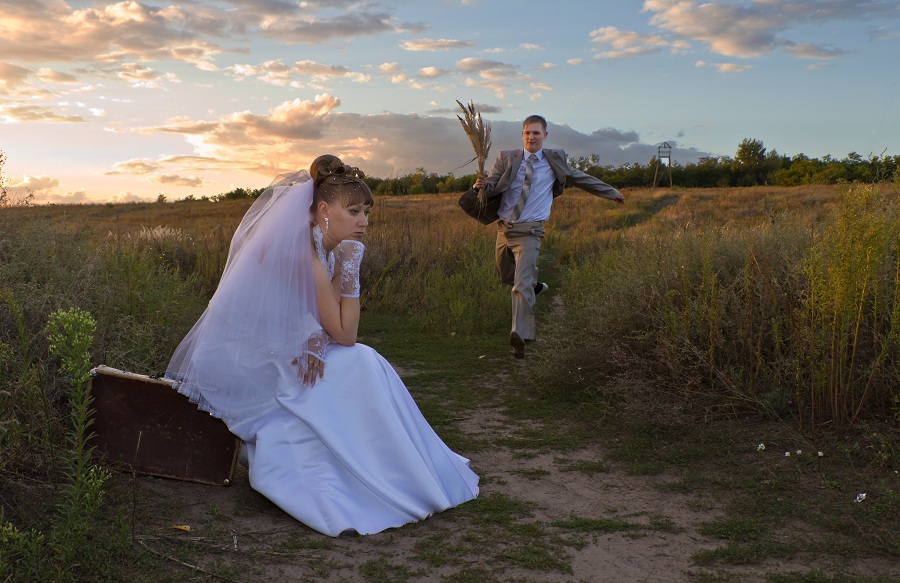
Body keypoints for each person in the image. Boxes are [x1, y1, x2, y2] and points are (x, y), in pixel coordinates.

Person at [166, 156, 479, 536]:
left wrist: (324, 310)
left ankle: (397, 466)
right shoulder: (306, 252)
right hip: (244, 357)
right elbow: (345, 333)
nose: (364, 221)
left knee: (362, 362)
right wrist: (351, 268)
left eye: (366, 211)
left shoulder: (321, 245)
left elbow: (332, 325)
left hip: (273, 345)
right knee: (359, 360)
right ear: (325, 210)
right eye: (354, 211)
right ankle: (379, 471)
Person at [460, 115, 624, 359]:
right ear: (522, 135)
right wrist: (479, 187)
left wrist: (611, 193)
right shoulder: (507, 157)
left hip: (531, 231)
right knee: (506, 275)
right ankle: (536, 287)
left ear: (545, 136)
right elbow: (492, 185)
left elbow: (581, 179)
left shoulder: (555, 159)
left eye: (536, 133)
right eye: (527, 133)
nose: (531, 137)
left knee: (520, 283)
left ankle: (520, 334)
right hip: (504, 229)